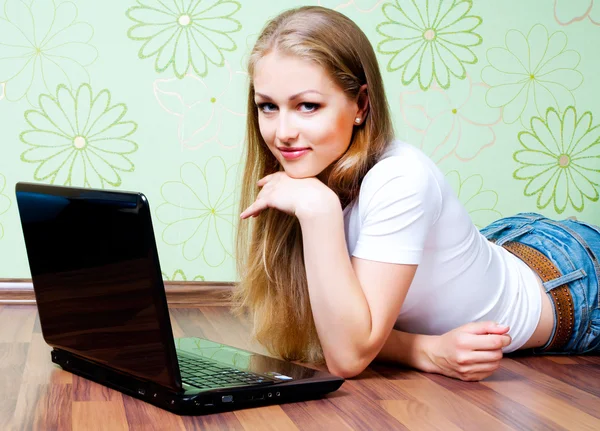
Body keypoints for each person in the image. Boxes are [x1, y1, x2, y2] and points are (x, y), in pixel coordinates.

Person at [232, 6, 600, 382]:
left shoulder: (399, 179)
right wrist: (427, 350)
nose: (283, 133)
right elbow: (327, 331)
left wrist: (320, 210)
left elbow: (347, 356)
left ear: (361, 104)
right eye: (268, 107)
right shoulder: (305, 175)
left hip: (573, 284)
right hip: (507, 247)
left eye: (307, 105)